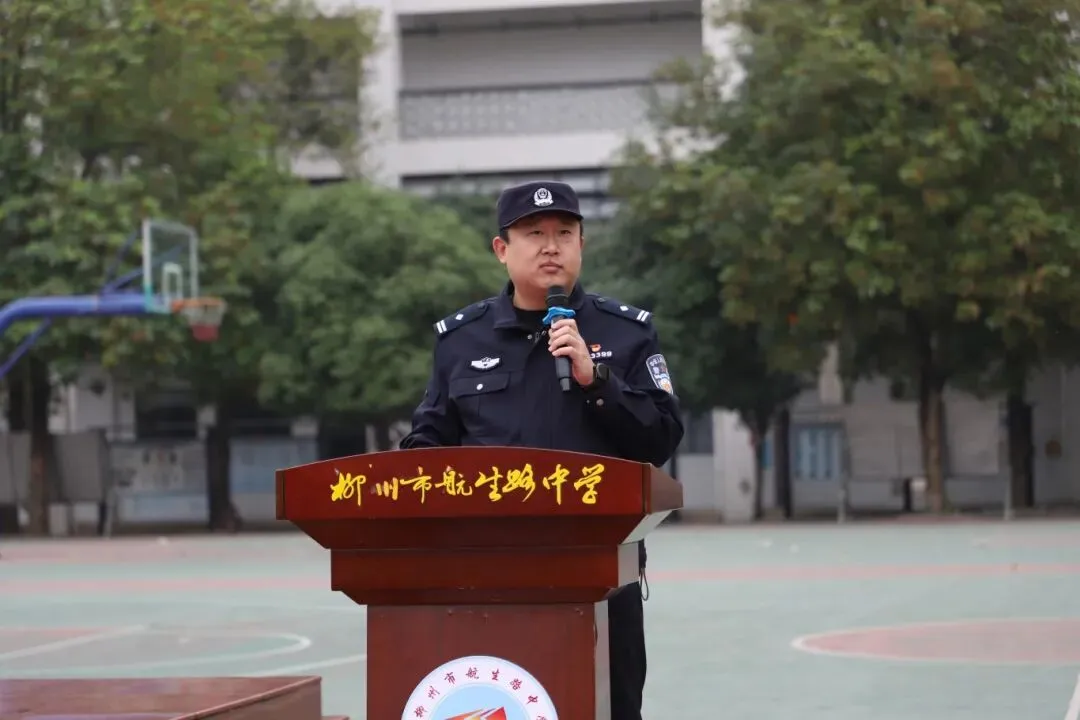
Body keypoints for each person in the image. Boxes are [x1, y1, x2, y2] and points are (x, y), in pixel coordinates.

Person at [399, 180, 684, 720]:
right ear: (501, 249)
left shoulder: (626, 334)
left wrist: (597, 381)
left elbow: (662, 438)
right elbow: (428, 443)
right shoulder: (461, 341)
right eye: (534, 234)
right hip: (488, 575)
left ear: (581, 245)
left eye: (564, 233)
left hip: (603, 575)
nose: (551, 246)